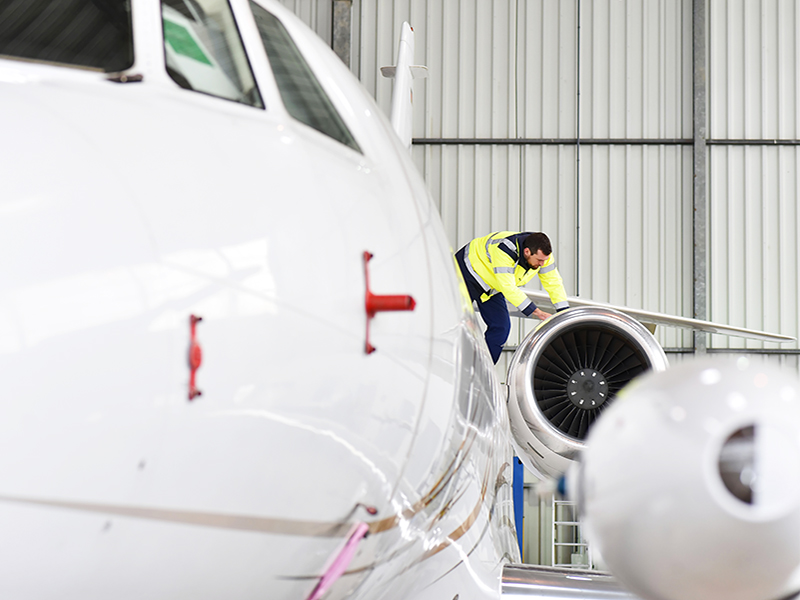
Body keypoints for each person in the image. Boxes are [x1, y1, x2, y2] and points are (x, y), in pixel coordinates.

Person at [455, 231, 569, 363]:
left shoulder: (543, 256)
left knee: (501, 328)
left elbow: (553, 283)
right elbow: (508, 288)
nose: (542, 264)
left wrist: (563, 314)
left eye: (545, 260)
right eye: (539, 260)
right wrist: (538, 313)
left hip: (492, 285)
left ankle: (483, 370)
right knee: (456, 322)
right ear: (527, 252)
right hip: (466, 273)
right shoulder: (505, 250)